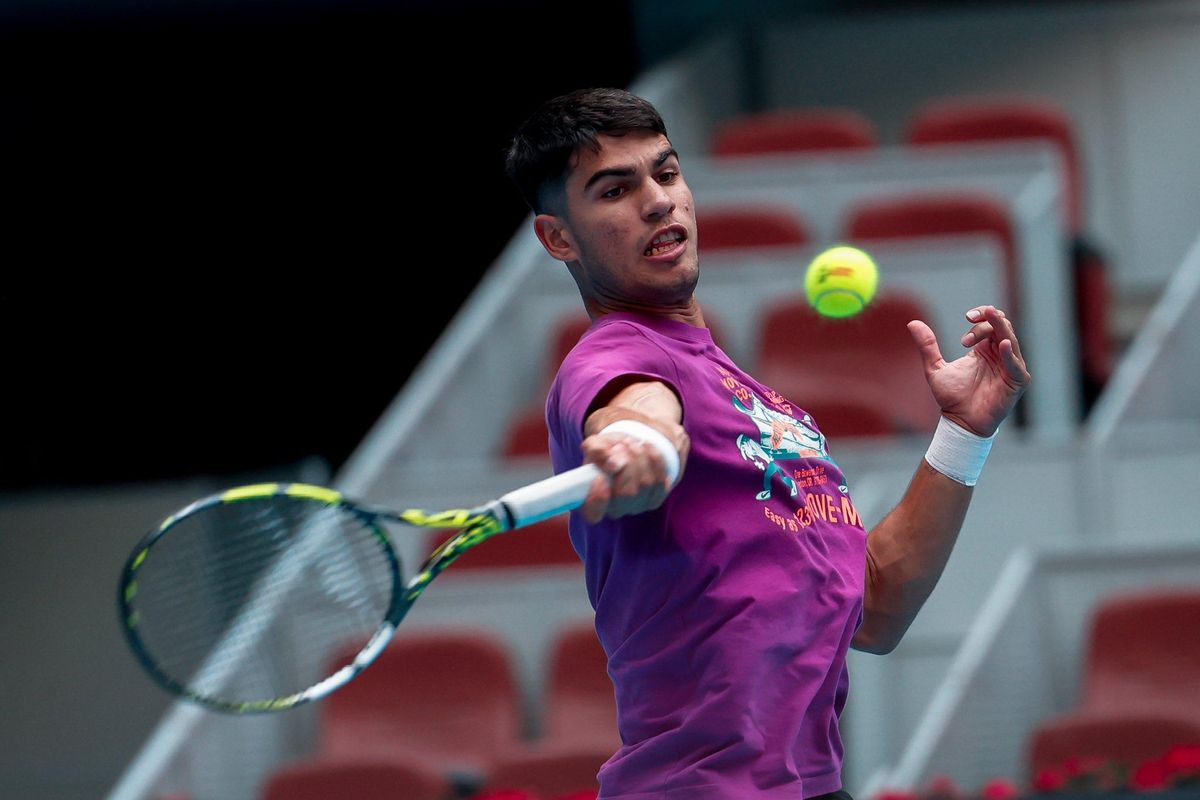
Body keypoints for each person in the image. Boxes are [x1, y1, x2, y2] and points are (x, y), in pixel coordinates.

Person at [505, 88, 1030, 800]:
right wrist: (639, 440)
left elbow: (873, 609)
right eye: (615, 189)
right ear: (557, 236)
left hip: (810, 785)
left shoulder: (755, 400)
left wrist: (963, 434)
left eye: (665, 173)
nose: (659, 202)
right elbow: (635, 405)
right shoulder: (612, 358)